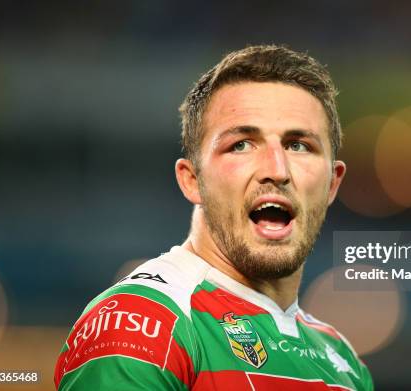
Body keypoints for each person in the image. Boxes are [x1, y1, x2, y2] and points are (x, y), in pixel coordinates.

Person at [54, 45, 374, 390]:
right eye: (241, 144)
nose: (277, 170)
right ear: (193, 181)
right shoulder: (140, 325)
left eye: (298, 145)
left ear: (332, 183)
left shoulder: (344, 362)